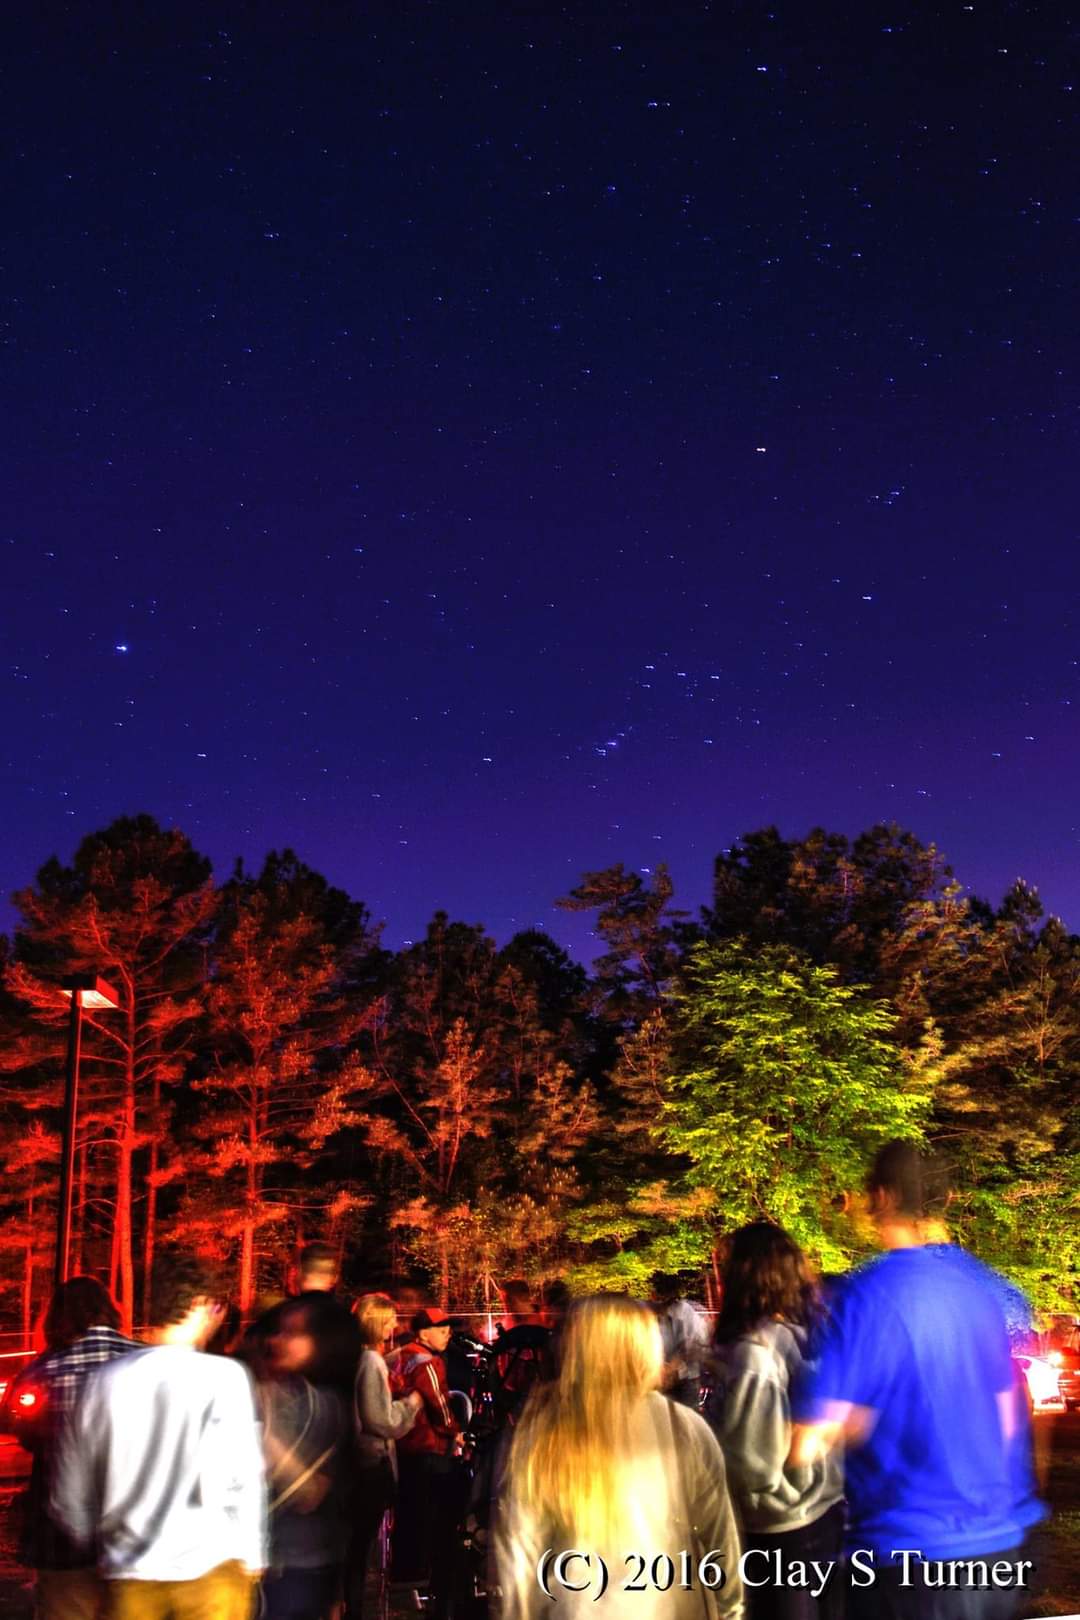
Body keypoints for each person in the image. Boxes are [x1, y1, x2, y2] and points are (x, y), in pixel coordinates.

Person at [790, 1141, 1045, 1620]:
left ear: (882, 1197)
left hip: (907, 1557)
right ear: (946, 1200)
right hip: (998, 1548)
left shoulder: (863, 1296)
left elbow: (807, 1443)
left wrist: (857, 1421)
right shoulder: (983, 1292)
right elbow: (1010, 1418)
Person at [492, 1294, 744, 1620]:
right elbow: (720, 1537)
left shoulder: (543, 1432)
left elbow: (517, 1551)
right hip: (667, 1605)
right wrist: (730, 1610)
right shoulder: (683, 1427)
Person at [51, 1252, 266, 1620]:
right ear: (199, 1304)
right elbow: (244, 1476)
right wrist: (252, 1552)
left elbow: (70, 1489)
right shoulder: (224, 1377)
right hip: (210, 1569)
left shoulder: (103, 1382)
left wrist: (96, 1540)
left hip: (130, 1573)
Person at [708, 1224, 844, 1620]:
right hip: (828, 1512)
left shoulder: (755, 1352)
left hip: (779, 1526)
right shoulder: (810, 1336)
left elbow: (752, 1463)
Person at [3, 1276, 138, 1620]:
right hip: (134, 1530)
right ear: (109, 1311)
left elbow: (20, 1428)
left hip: (61, 1537)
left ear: (57, 1317)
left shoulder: (42, 1370)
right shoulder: (142, 1360)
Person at [258, 1296, 349, 1620]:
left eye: (292, 1333)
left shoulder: (325, 1406)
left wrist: (262, 1433)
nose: (276, 1341)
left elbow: (310, 1494)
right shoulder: (259, 1394)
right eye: (275, 1332)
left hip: (301, 1566)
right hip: (258, 1567)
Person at [345, 1293, 422, 1617]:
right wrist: (410, 1405)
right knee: (364, 1550)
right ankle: (358, 1609)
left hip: (356, 1465)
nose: (394, 1325)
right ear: (376, 1322)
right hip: (371, 1464)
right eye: (389, 1319)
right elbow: (380, 1419)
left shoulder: (356, 1358)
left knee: (354, 1550)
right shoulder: (371, 1362)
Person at [385, 1306, 464, 1615]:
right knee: (435, 1515)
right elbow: (438, 1403)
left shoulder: (399, 1356)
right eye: (441, 1329)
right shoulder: (427, 1361)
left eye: (448, 1328)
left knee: (410, 1511)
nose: (447, 1333)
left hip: (406, 1445)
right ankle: (433, 1581)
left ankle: (406, 1575)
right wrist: (455, 1430)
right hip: (428, 1446)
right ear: (423, 1333)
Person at [653, 1272, 711, 1409]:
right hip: (663, 1377)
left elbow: (692, 1345)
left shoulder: (684, 1312)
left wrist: (672, 1367)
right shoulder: (655, 1313)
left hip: (686, 1379)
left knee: (687, 1414)